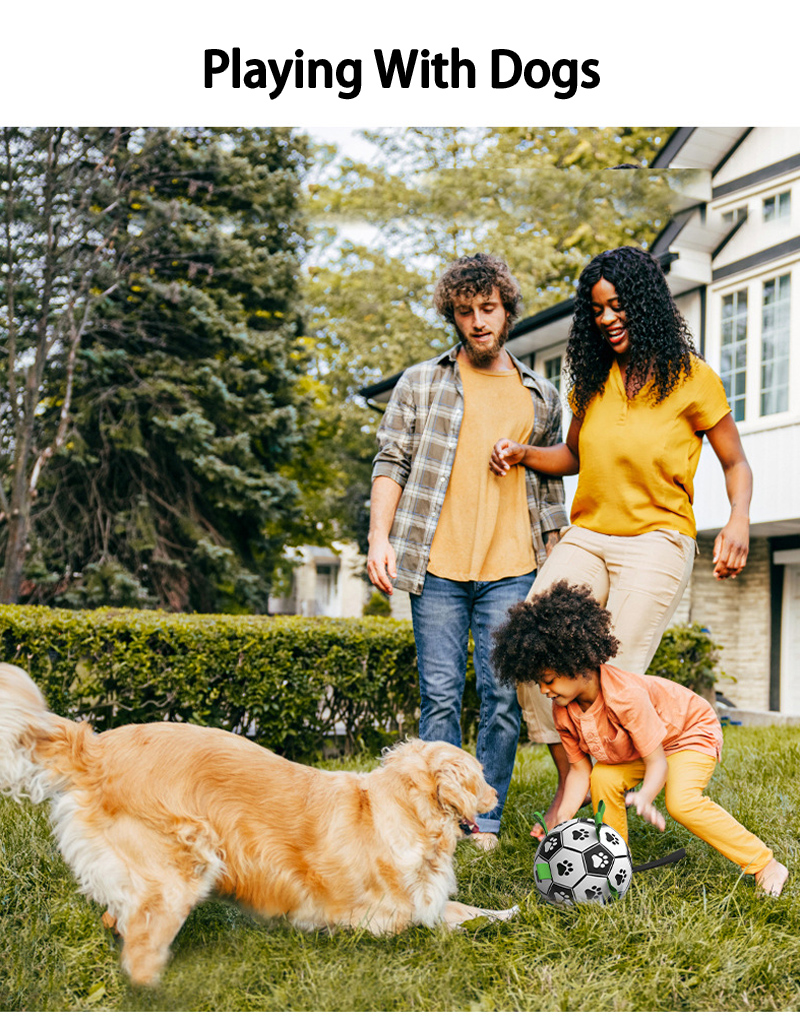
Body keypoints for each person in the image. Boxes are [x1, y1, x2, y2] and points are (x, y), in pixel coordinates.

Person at [489, 246, 753, 835]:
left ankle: (611, 799)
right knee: (530, 642)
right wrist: (526, 453)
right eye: (597, 309)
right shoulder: (594, 378)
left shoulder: (691, 378)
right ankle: (571, 776)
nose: (608, 318)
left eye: (618, 306)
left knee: (611, 675)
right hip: (588, 533)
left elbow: (736, 462)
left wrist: (738, 519)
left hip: (658, 539)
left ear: (645, 304)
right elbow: (574, 456)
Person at [367, 252, 568, 850]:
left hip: (512, 569)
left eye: (488, 308)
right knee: (440, 700)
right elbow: (391, 462)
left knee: (503, 699)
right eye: (465, 312)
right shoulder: (421, 383)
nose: (478, 321)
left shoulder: (540, 395)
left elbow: (551, 486)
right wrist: (380, 538)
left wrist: (556, 565)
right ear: (452, 316)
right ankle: (437, 819)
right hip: (437, 567)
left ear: (507, 311)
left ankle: (483, 820)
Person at [490, 580, 789, 897]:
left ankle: (765, 864)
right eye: (539, 682)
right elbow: (579, 771)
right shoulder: (562, 709)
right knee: (602, 777)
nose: (544, 690)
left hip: (688, 733)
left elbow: (657, 762)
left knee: (681, 802)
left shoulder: (625, 697)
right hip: (649, 747)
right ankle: (617, 864)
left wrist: (645, 796)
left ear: (576, 664)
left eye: (548, 680)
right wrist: (561, 819)